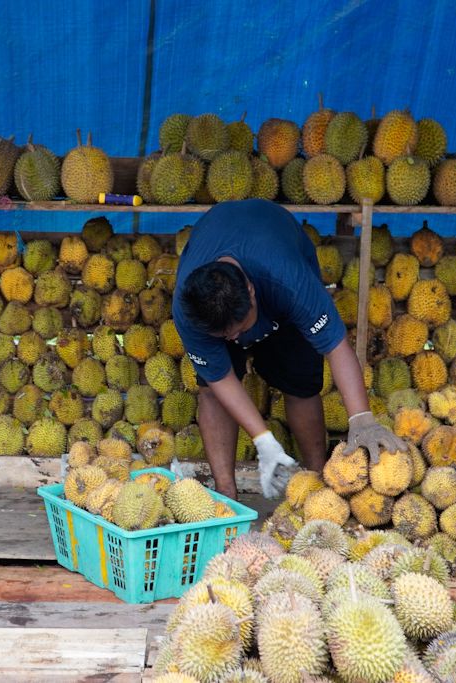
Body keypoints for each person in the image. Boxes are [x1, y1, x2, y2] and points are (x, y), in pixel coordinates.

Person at [172, 198, 406, 499]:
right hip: (221, 241)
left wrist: (362, 420)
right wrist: (263, 440)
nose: (235, 339)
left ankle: (319, 479)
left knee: (301, 384)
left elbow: (336, 346)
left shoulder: (289, 280)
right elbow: (220, 380)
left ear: (251, 292)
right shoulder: (189, 309)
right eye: (224, 336)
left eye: (240, 329)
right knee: (210, 391)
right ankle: (226, 493)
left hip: (276, 255)